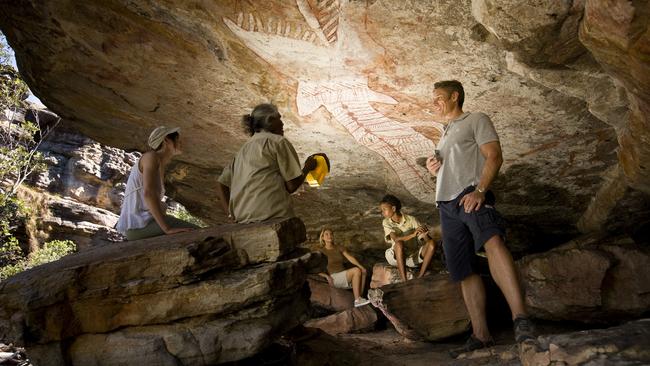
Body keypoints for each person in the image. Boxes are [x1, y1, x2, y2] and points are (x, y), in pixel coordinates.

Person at [425, 80, 535, 356]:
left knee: (493, 241)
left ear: (455, 96)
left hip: (469, 194)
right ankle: (481, 335)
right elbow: (451, 168)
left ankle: (521, 320)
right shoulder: (444, 133)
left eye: (439, 97)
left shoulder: (475, 119)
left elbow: (494, 156)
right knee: (464, 270)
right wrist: (434, 169)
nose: (434, 102)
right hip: (446, 205)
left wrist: (480, 191)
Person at [216, 103, 318, 223]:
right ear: (270, 120)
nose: (282, 123)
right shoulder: (278, 142)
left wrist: (230, 214)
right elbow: (292, 186)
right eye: (279, 118)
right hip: (272, 216)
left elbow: (220, 184)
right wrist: (307, 167)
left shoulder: (241, 151)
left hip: (242, 220)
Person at [116, 126, 197, 240]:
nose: (181, 142)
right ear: (166, 141)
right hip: (138, 225)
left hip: (143, 224)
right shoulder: (151, 157)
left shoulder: (159, 163)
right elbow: (149, 193)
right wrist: (167, 229)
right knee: (200, 233)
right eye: (178, 139)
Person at [379, 194, 437, 282]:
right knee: (399, 244)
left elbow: (428, 242)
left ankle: (420, 276)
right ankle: (404, 280)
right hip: (395, 257)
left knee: (432, 244)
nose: (382, 212)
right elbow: (396, 239)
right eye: (381, 210)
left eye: (384, 209)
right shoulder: (386, 222)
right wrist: (413, 235)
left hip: (411, 258)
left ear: (393, 209)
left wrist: (425, 235)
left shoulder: (411, 220)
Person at [317, 228, 370, 307]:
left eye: (331, 234)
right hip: (334, 278)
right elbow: (314, 268)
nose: (329, 236)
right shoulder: (321, 251)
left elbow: (350, 258)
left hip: (343, 276)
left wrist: (361, 267)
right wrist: (326, 276)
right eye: (326, 234)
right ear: (322, 238)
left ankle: (359, 297)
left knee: (363, 272)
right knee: (356, 271)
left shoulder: (339, 247)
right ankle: (357, 300)